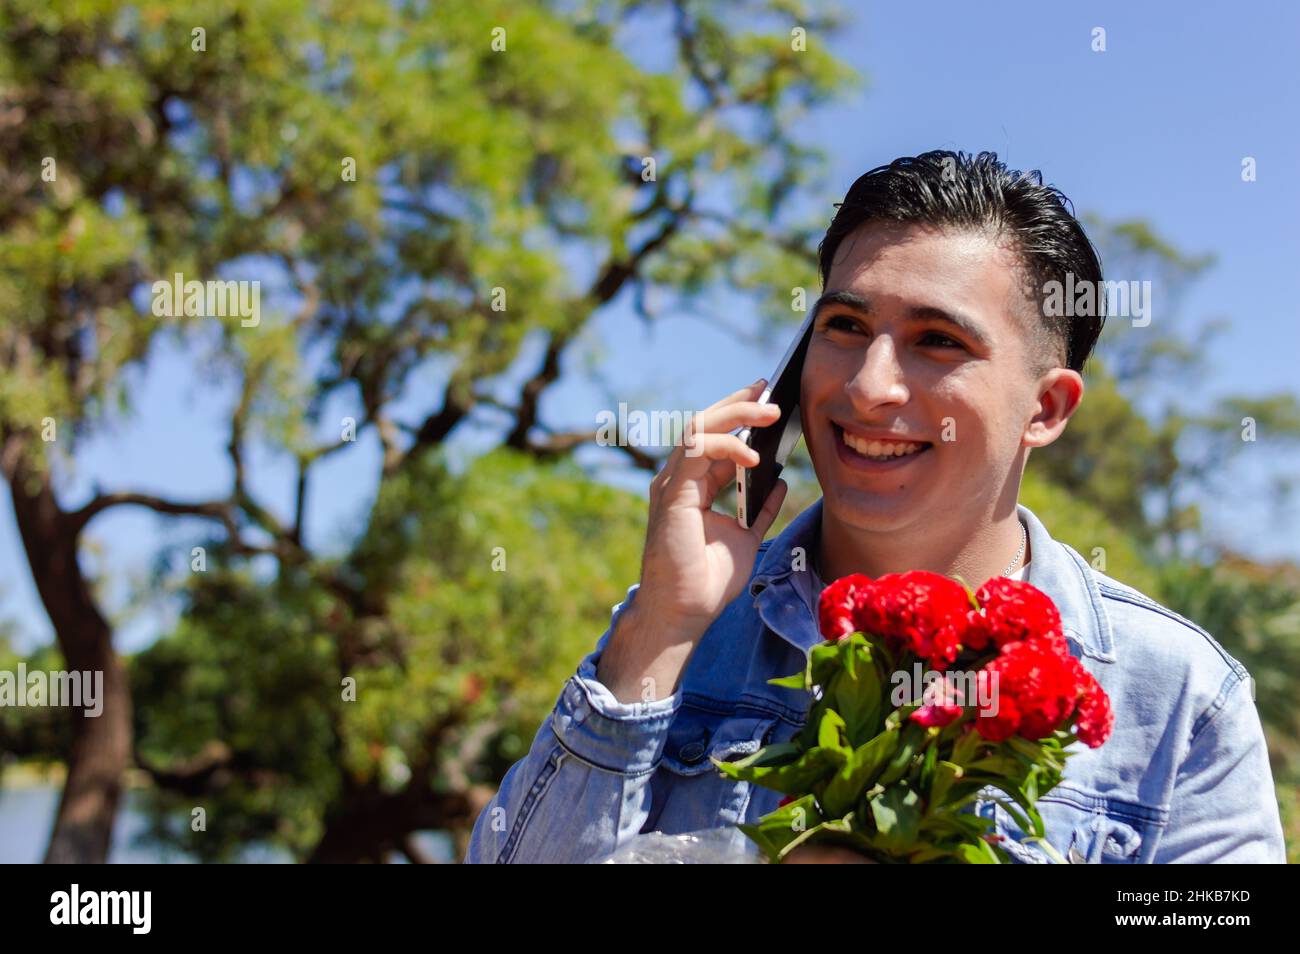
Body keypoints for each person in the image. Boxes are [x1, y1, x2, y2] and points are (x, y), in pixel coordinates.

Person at [464, 150, 1286, 864]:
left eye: (938, 341)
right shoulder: (680, 631)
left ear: (1048, 409)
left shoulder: (1181, 696)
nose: (867, 386)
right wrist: (659, 629)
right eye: (846, 325)